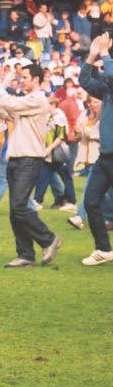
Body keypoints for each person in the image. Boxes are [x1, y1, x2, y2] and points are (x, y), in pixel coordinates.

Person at [0, 62, 62, 267]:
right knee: (15, 210)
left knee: (19, 207)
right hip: (17, 159)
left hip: (29, 160)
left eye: (25, 78)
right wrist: (1, 82)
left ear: (36, 80)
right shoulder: (26, 101)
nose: (21, 81)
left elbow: (8, 103)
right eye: (21, 78)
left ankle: (49, 239)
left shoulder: (38, 99)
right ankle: (25, 254)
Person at [77, 33, 113, 265]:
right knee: (91, 201)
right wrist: (92, 55)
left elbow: (110, 72)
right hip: (106, 157)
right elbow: (85, 81)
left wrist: (104, 52)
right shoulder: (108, 91)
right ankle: (104, 249)